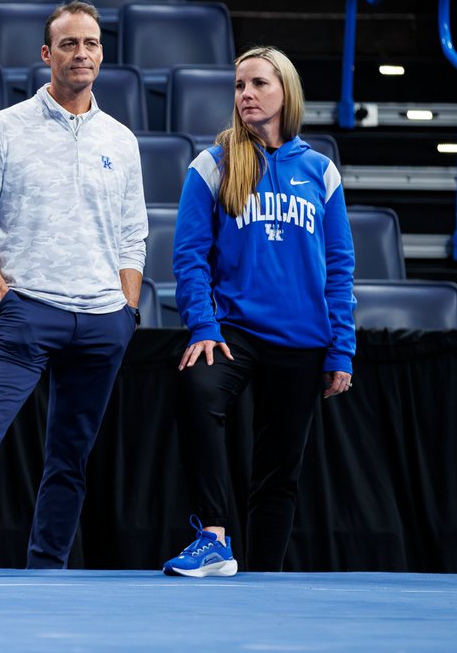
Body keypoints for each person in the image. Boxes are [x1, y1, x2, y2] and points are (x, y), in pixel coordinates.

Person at [0, 0, 148, 577]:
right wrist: (5, 298)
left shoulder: (121, 141)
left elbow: (132, 236)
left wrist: (126, 309)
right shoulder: (3, 129)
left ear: (102, 52)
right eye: (69, 44)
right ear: (47, 55)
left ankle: (47, 570)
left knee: (70, 457)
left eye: (91, 44)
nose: (82, 54)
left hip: (102, 322)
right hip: (28, 313)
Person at [162, 46, 355, 577]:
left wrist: (342, 347)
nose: (246, 94)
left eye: (258, 84)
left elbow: (339, 266)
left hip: (303, 339)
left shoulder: (321, 172)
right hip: (234, 331)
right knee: (197, 389)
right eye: (240, 86)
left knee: (279, 471)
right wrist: (202, 323)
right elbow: (189, 255)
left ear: (285, 92)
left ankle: (265, 578)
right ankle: (214, 536)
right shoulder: (214, 163)